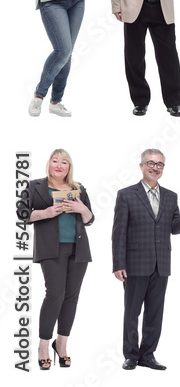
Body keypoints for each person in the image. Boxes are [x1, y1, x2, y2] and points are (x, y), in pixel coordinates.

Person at [112, 148, 180, 370]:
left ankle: (148, 355)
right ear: (141, 166)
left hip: (161, 264)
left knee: (155, 312)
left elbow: (173, 228)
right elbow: (118, 232)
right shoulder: (126, 194)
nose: (155, 167)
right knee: (132, 312)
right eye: (150, 163)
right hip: (134, 264)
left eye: (160, 164)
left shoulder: (171, 196)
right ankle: (131, 355)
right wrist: (118, 263)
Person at [27, 149, 94, 370]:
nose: (59, 165)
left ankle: (61, 344)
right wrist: (46, 212)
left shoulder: (79, 188)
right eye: (55, 160)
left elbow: (89, 219)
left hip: (78, 249)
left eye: (64, 162)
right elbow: (22, 214)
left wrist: (81, 208)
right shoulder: (35, 186)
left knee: (71, 297)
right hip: (51, 249)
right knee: (55, 294)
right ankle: (43, 346)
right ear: (49, 164)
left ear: (69, 167)